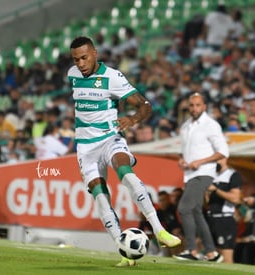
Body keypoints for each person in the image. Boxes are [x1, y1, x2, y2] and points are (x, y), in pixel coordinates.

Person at [67, 36, 181, 267]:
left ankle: (159, 231)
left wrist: (133, 118)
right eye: (76, 59)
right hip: (86, 148)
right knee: (100, 197)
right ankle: (123, 251)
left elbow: (145, 105)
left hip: (110, 139)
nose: (80, 63)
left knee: (125, 171)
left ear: (95, 53)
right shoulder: (73, 75)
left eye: (84, 57)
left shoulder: (113, 77)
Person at [174, 92, 229, 262]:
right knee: (196, 212)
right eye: (192, 105)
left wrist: (201, 161)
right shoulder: (185, 127)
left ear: (204, 106)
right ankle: (212, 253)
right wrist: (182, 160)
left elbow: (223, 152)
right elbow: (183, 152)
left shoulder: (211, 125)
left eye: (198, 105)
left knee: (184, 208)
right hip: (189, 174)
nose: (194, 108)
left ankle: (191, 250)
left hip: (203, 173)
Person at [205, 158, 242, 263]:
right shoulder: (211, 176)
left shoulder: (232, 175)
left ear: (225, 158)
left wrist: (216, 189)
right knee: (213, 257)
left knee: (226, 256)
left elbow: (235, 198)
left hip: (225, 219)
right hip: (211, 218)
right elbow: (206, 202)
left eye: (218, 159)